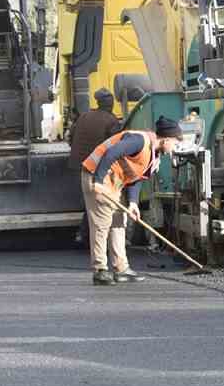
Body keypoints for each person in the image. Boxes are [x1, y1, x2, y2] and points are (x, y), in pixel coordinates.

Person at [79, 116, 183, 286]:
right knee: (102, 223)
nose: (174, 149)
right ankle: (100, 270)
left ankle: (121, 269)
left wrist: (133, 203)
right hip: (96, 175)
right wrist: (97, 181)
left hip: (114, 181)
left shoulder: (154, 155)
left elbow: (136, 176)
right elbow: (111, 152)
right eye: (175, 144)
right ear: (166, 139)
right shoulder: (139, 141)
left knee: (119, 222)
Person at [67, 89, 124, 244]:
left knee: (88, 201)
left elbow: (70, 137)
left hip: (79, 164)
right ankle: (87, 235)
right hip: (97, 166)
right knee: (98, 203)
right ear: (110, 104)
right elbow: (116, 146)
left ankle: (83, 234)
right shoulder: (111, 121)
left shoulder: (84, 116)